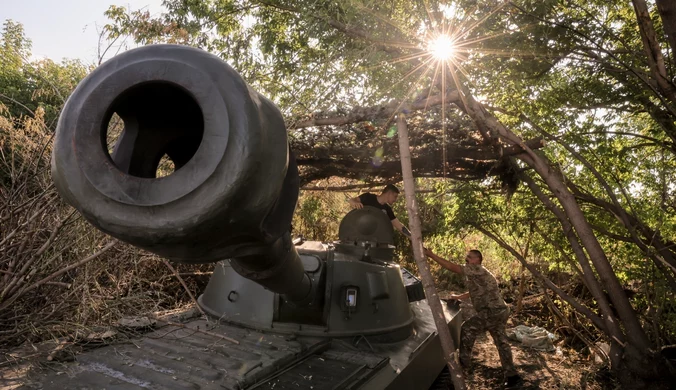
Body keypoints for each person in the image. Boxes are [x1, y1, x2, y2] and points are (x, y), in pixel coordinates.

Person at [423, 248, 523, 388]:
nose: (466, 258)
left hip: (492, 311)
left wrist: (431, 255)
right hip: (499, 311)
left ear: (477, 260)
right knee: (501, 342)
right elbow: (474, 291)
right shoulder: (478, 273)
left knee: (468, 328)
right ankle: (512, 376)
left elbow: (453, 267)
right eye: (467, 256)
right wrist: (458, 297)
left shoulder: (477, 268)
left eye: (470, 257)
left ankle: (462, 368)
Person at [348, 184, 412, 238]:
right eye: (395, 196)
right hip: (358, 236)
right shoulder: (368, 197)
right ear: (389, 193)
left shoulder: (387, 209)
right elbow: (351, 200)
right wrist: (355, 203)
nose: (395, 200)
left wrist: (412, 237)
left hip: (374, 239)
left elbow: (399, 226)